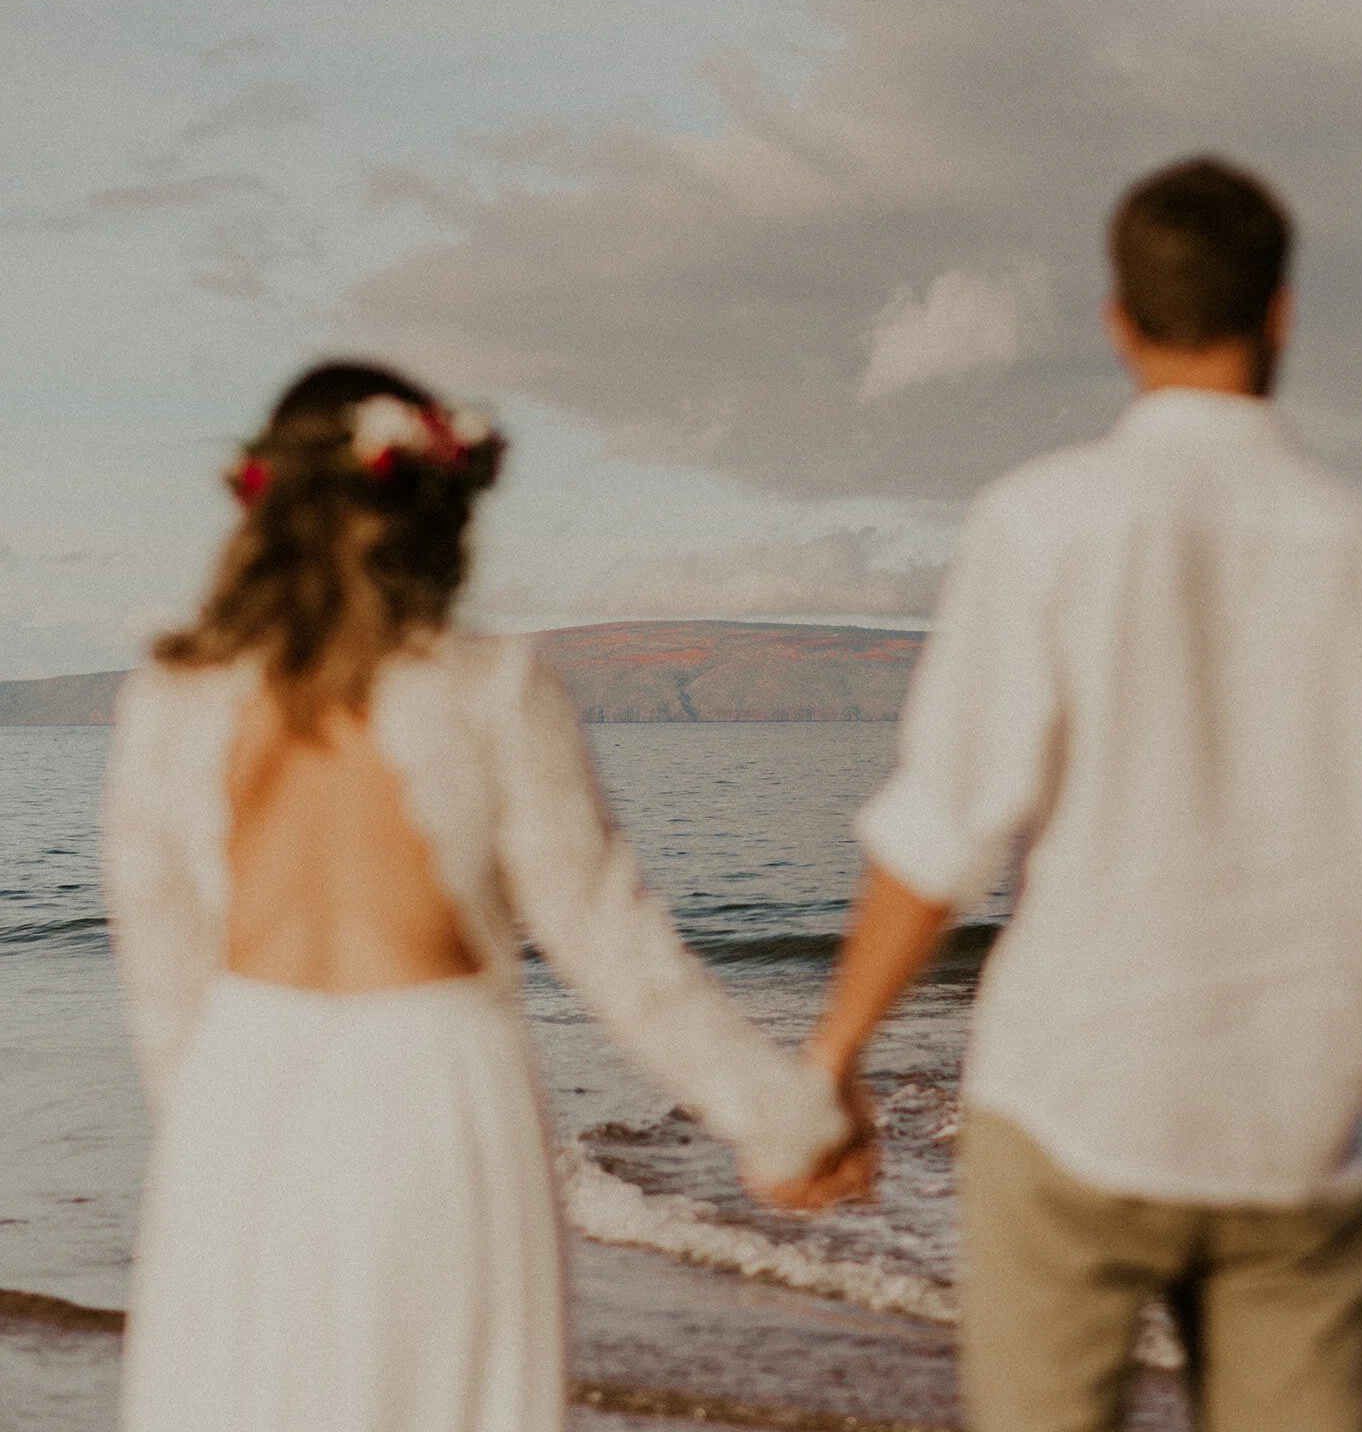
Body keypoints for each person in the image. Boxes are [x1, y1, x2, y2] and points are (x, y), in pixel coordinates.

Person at [785, 158, 1362, 1431]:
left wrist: (832, 1059)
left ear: (1118, 321)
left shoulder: (1041, 524)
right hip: (1295, 1127)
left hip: (1073, 1098)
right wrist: (1351, 1092)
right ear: (1279, 310)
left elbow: (941, 835)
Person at [102, 361, 870, 1432]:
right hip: (435, 1100)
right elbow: (613, 942)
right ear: (435, 510)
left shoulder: (170, 703)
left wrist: (214, 1149)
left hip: (239, 1105)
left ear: (265, 504)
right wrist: (783, 1117)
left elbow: (165, 989)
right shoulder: (490, 688)